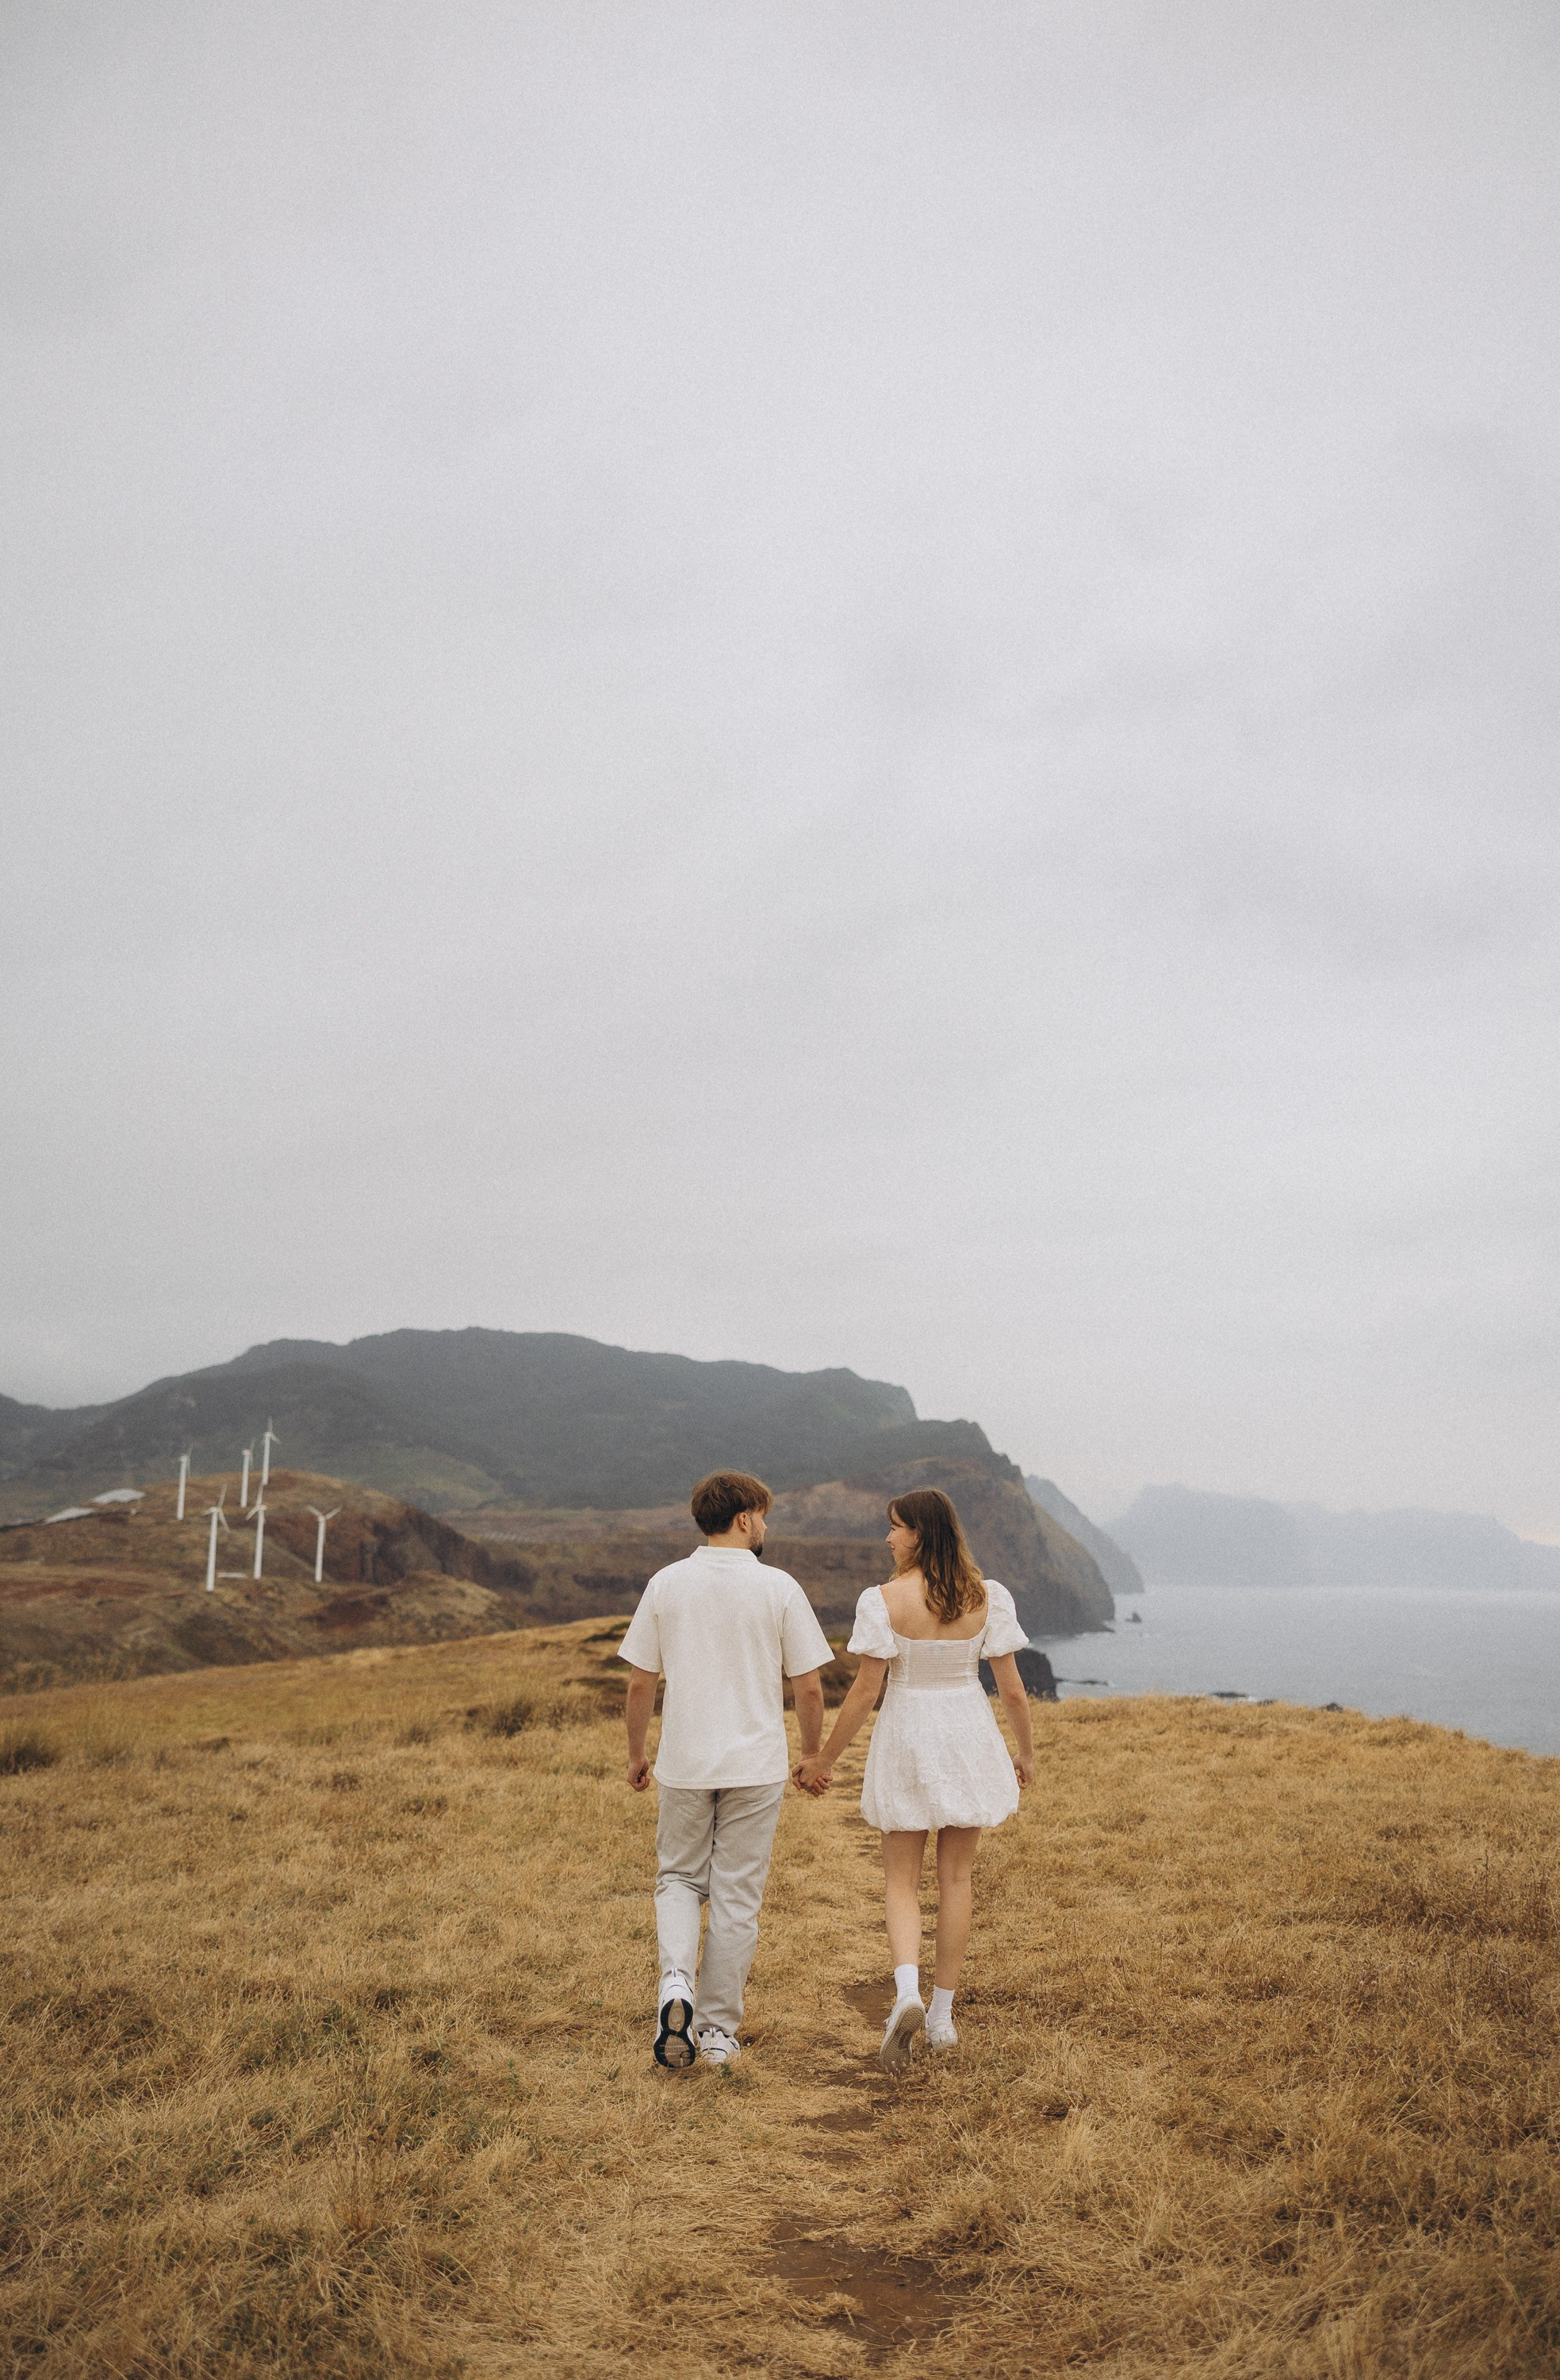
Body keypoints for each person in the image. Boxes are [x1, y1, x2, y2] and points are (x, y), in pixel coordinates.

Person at [794, 1486, 1034, 2070]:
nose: (888, 1536)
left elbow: (865, 1691)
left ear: (920, 1534)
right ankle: (942, 2018)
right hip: (967, 1731)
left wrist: (823, 1760)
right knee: (956, 1879)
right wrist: (1024, 1752)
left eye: (896, 1527)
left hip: (907, 1730)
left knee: (900, 1880)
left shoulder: (882, 1601)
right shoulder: (988, 1597)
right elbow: (1009, 1688)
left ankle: (905, 1993)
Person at [620, 1468, 832, 2070]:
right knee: (737, 1895)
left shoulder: (665, 1584)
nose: (765, 1525)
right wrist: (812, 1755)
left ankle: (675, 1987)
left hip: (684, 1762)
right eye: (763, 1515)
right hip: (755, 1766)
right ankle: (715, 2033)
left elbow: (641, 1681)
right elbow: (809, 1687)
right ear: (744, 1518)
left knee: (679, 1880)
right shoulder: (779, 1588)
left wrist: (638, 1755)